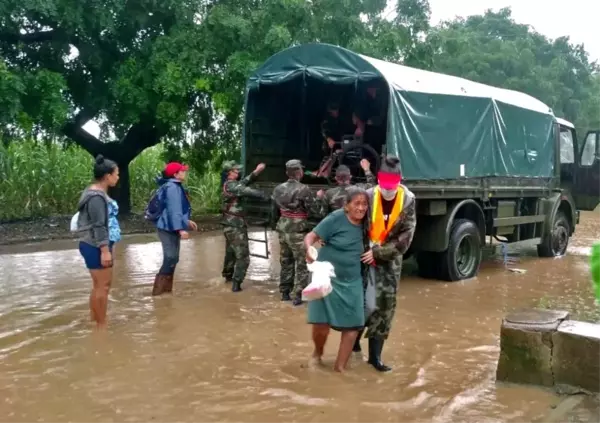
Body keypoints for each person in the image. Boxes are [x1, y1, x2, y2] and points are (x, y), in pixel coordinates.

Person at [357, 155, 417, 372]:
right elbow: (354, 220)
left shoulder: (408, 200)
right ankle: (353, 344)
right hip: (362, 257)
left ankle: (374, 357)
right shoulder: (369, 195)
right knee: (361, 303)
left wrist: (378, 254)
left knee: (384, 307)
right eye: (384, 181)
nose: (387, 187)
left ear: (400, 178)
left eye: (392, 182)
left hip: (389, 261)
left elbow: (405, 238)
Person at [304, 187, 370, 373]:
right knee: (321, 324)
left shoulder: (369, 221)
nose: (361, 208)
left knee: (353, 325)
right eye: (356, 203)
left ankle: (339, 369)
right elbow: (311, 236)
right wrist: (309, 248)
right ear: (346, 206)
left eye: (364, 204)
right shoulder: (336, 218)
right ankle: (317, 354)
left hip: (352, 279)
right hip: (326, 277)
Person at [76, 155, 120, 329]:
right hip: (95, 245)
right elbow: (99, 225)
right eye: (116, 174)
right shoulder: (97, 197)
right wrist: (105, 250)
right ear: (107, 176)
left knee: (98, 286)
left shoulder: (91, 192)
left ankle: (95, 320)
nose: (118, 177)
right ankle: (102, 326)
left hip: (90, 243)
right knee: (103, 286)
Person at [272, 159, 323, 305]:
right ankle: (298, 296)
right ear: (299, 172)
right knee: (302, 263)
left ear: (287, 172)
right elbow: (315, 212)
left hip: (283, 229)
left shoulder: (278, 189)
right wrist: (318, 198)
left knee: (286, 261)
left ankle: (285, 293)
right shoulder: (304, 189)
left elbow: (274, 210)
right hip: (298, 231)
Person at [221, 160, 267, 292]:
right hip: (235, 226)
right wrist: (266, 195)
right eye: (236, 170)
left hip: (230, 224)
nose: (239, 172)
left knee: (231, 253)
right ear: (230, 173)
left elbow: (244, 182)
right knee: (243, 257)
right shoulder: (231, 186)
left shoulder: (231, 184)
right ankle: (236, 284)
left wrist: (256, 171)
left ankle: (228, 278)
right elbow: (246, 190)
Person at [152, 162, 197, 296]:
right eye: (182, 171)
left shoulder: (173, 186)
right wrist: (180, 229)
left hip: (170, 225)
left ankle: (165, 292)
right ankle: (158, 292)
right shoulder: (172, 187)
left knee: (173, 258)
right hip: (167, 227)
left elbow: (174, 210)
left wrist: (186, 221)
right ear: (175, 174)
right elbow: (173, 210)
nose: (185, 173)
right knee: (170, 257)